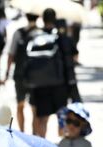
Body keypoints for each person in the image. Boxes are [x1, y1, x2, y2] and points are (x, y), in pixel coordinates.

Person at [25, 8, 77, 138]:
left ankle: (42, 146)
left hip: (40, 84)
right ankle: (61, 146)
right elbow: (74, 57)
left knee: (42, 118)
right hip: (60, 84)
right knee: (61, 116)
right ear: (55, 19)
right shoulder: (61, 37)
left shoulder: (35, 36)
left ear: (42, 20)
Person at [4, 13, 38, 132]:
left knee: (20, 105)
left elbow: (11, 54)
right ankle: (34, 134)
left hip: (20, 74)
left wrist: (6, 73)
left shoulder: (18, 33)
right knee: (35, 108)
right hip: (37, 76)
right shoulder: (41, 33)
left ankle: (22, 132)